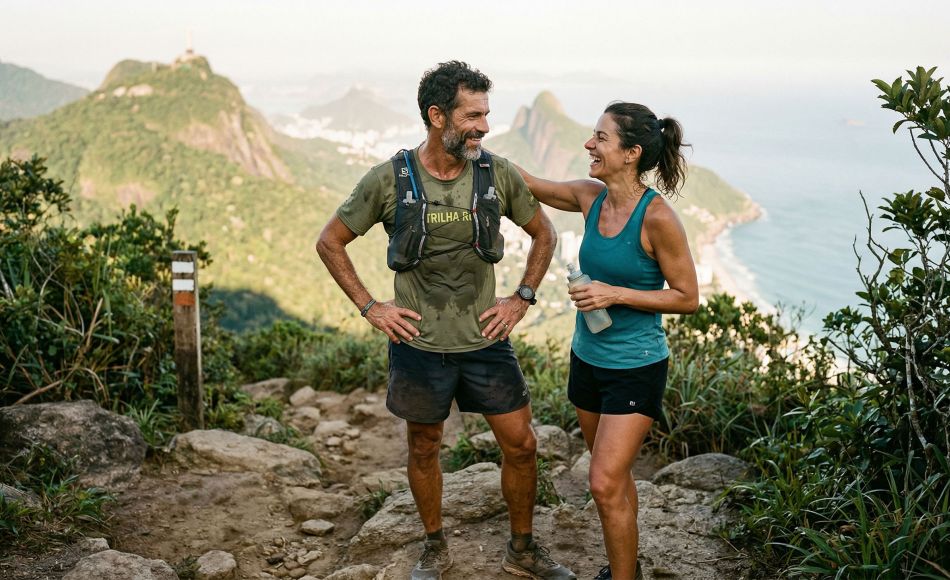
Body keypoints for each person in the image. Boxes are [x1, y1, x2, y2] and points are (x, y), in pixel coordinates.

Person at [316, 61, 576, 580]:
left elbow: (545, 234)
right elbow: (330, 241)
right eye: (472, 115)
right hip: (419, 342)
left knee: (522, 444)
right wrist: (373, 307)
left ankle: (522, 550)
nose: (483, 126)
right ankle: (435, 548)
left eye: (486, 114)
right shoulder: (390, 179)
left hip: (484, 339)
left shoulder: (496, 172)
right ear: (437, 116)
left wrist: (521, 298)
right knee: (424, 445)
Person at [516, 102, 699, 580]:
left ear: (631, 153)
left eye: (600, 137)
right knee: (613, 480)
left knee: (600, 481)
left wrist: (613, 293)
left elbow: (687, 298)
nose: (589, 144)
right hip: (588, 359)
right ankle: (627, 568)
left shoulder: (657, 217)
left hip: (635, 367)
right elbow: (528, 183)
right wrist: (472, 147)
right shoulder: (589, 197)